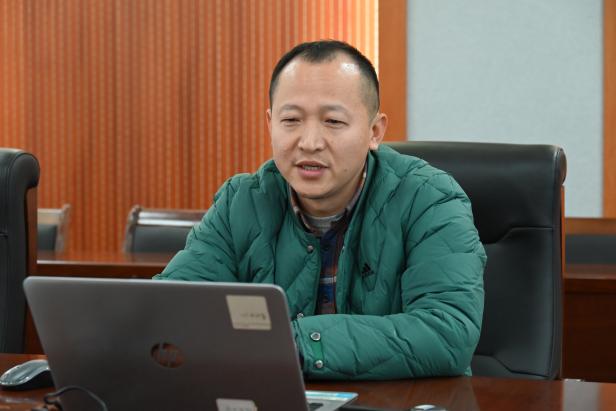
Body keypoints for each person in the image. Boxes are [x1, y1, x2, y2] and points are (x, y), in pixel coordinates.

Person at [154, 40, 486, 380]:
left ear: (374, 132)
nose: (309, 142)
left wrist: (291, 344)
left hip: (399, 400)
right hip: (273, 398)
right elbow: (169, 311)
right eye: (291, 120)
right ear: (270, 123)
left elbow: (448, 331)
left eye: (333, 121)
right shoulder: (240, 202)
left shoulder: (429, 199)